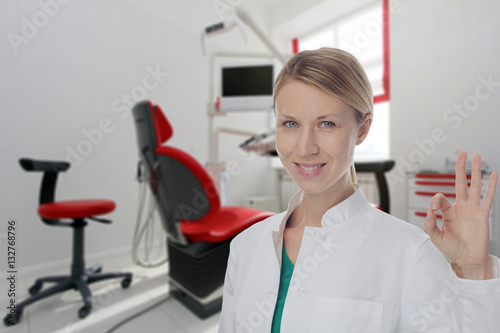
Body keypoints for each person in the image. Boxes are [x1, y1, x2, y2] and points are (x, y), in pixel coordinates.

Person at [218, 48, 499, 332]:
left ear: (362, 129)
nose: (305, 147)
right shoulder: (245, 245)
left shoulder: (411, 254)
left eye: (326, 123)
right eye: (290, 123)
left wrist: (473, 271)